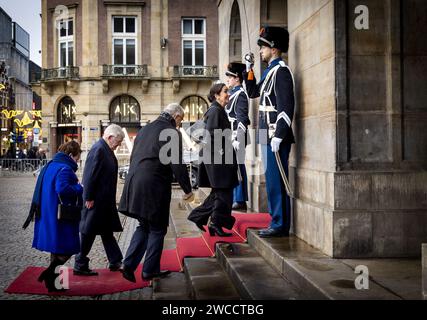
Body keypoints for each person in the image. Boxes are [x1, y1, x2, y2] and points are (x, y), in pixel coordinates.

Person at [119, 103, 193, 282]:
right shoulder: (171, 132)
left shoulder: (145, 129)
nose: (179, 124)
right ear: (175, 116)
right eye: (180, 120)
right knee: (158, 228)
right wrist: (188, 189)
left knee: (144, 226)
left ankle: (128, 265)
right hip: (154, 185)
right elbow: (176, 163)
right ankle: (149, 270)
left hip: (135, 181)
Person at [243, 26, 296, 238]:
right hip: (266, 133)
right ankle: (276, 220)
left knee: (276, 180)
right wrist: (249, 69)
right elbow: (253, 92)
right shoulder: (270, 72)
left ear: (273, 48)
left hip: (275, 134)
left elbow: (286, 106)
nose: (261, 52)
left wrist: (281, 134)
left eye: (263, 47)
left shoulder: (282, 71)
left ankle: (280, 224)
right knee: (271, 179)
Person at [24, 141, 83, 292]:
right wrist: (79, 187)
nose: (78, 160)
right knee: (69, 247)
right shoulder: (65, 168)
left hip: (49, 212)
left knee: (56, 248)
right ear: (70, 155)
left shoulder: (50, 165)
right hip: (61, 216)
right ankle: (50, 273)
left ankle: (55, 285)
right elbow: (62, 188)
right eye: (77, 157)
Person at [188, 83, 239, 237]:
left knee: (219, 193)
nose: (228, 94)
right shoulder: (215, 111)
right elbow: (211, 137)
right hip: (218, 161)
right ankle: (215, 223)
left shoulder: (217, 110)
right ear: (216, 95)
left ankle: (200, 217)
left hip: (219, 159)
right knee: (223, 193)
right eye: (225, 91)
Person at [74, 124, 125, 275]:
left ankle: (115, 260)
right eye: (118, 141)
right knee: (88, 231)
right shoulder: (99, 149)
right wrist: (88, 197)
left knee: (106, 231)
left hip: (103, 201)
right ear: (110, 138)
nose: (119, 144)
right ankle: (80, 263)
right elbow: (89, 175)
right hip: (95, 200)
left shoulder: (105, 149)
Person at [225, 62, 251, 211]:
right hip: (230, 136)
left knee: (238, 167)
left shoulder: (240, 94)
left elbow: (242, 119)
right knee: (234, 167)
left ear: (237, 78)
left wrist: (237, 138)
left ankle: (240, 199)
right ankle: (236, 197)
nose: (228, 79)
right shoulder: (233, 93)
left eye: (230, 76)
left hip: (237, 137)